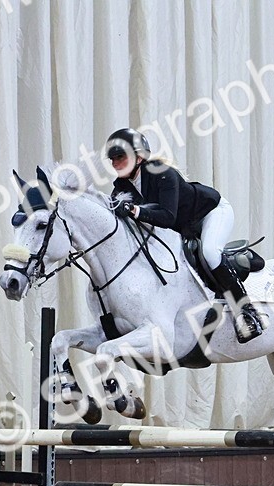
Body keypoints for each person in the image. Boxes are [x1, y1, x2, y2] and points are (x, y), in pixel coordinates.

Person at [104, 128, 265, 343]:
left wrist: (135, 211)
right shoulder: (121, 187)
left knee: (209, 252)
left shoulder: (163, 173)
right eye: (113, 159)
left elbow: (168, 217)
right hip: (183, 227)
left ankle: (247, 313)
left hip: (210, 213)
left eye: (120, 157)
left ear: (139, 157)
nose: (115, 163)